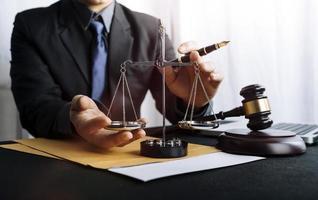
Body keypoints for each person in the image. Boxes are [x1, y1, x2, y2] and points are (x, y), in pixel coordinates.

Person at [10, 0, 223, 149]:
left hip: (129, 150)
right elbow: (34, 107)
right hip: (60, 153)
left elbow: (175, 111)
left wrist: (193, 102)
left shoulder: (150, 28)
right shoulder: (32, 25)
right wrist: (74, 119)